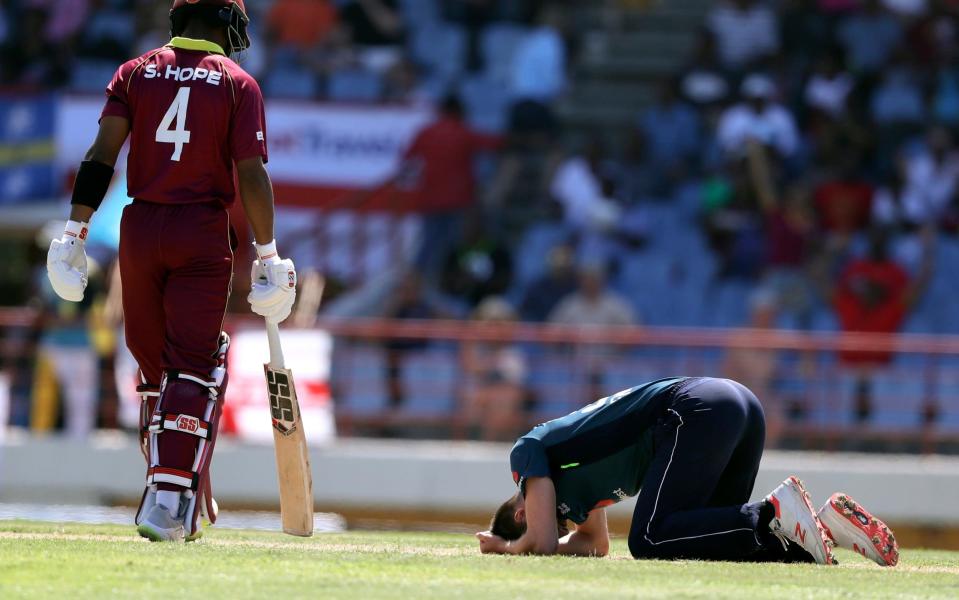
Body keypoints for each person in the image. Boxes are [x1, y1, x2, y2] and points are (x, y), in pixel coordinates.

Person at [44, 0, 297, 542]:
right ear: (224, 23)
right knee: (194, 367)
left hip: (139, 227)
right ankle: (168, 497)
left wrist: (74, 232)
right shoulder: (237, 83)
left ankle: (169, 485)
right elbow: (251, 174)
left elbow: (101, 156)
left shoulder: (134, 72)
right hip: (200, 232)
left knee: (156, 373)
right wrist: (269, 252)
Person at [476, 377, 900, 567]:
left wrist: (506, 549)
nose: (568, 520)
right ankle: (827, 529)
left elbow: (545, 542)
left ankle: (772, 513)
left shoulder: (527, 456)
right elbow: (596, 544)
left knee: (648, 538)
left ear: (521, 513)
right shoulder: (569, 490)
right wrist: (536, 538)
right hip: (730, 405)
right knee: (711, 542)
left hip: (695, 409)